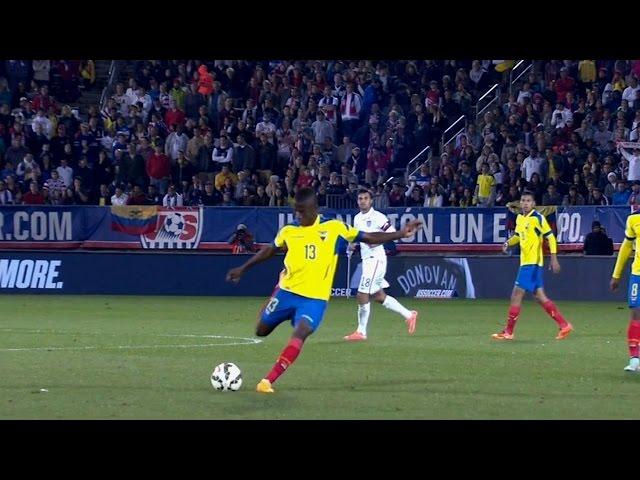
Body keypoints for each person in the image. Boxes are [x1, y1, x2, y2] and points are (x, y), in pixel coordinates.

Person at [225, 187, 421, 393]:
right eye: (296, 211)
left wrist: (400, 233)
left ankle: (267, 381)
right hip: (286, 292)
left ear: (314, 209)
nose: (298, 215)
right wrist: (243, 268)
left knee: (302, 332)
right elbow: (269, 250)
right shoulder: (289, 231)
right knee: (260, 331)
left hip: (314, 300)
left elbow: (369, 237)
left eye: (302, 211)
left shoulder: (334, 228)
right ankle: (275, 291)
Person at [492, 190, 573, 341]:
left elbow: (550, 237)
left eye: (528, 201)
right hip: (527, 262)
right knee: (540, 297)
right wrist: (507, 243)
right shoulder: (520, 219)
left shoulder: (538, 218)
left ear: (534, 204)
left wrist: (554, 258)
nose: (525, 203)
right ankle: (564, 325)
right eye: (523, 200)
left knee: (516, 295)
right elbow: (518, 236)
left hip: (532, 263)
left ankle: (508, 332)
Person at [343, 189, 418, 341]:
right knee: (378, 295)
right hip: (367, 260)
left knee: (361, 294)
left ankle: (361, 332)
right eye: (360, 198)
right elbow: (357, 236)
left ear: (371, 201)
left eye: (365, 198)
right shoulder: (357, 218)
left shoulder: (378, 217)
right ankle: (410, 315)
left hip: (376, 259)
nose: (362, 201)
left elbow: (391, 234)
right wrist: (351, 245)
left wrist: (377, 241)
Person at [611, 210, 640, 371]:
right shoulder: (634, 219)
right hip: (638, 274)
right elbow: (626, 247)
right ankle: (634, 359)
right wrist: (616, 274)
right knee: (636, 312)